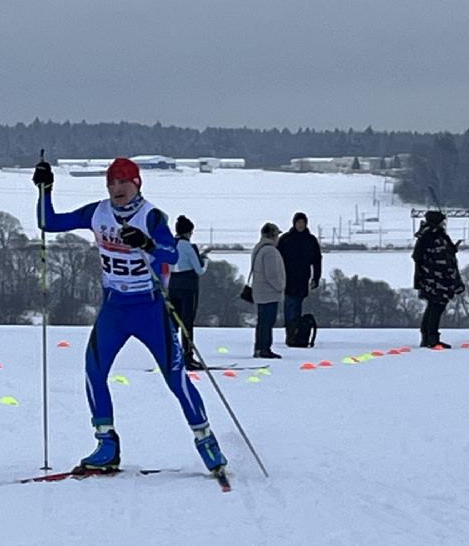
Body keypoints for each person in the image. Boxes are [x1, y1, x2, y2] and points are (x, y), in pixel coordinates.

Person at [34, 156, 227, 476]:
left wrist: (148, 244)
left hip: (151, 307)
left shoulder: (150, 216)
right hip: (116, 307)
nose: (116, 188)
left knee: (176, 379)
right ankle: (106, 444)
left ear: (137, 183)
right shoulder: (98, 212)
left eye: (123, 181)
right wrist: (45, 187)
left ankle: (206, 441)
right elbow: (49, 222)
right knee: (93, 371)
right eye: (111, 182)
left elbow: (173, 254)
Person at [411, 210, 464, 348]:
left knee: (432, 306)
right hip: (438, 280)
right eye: (442, 221)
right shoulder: (435, 236)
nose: (444, 224)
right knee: (436, 307)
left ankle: (427, 337)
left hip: (428, 279)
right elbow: (441, 259)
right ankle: (432, 339)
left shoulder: (426, 235)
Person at [166, 214, 207, 368]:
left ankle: (170, 355)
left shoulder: (170, 244)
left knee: (173, 322)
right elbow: (200, 269)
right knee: (187, 323)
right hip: (188, 286)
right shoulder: (189, 247)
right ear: (189, 232)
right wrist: (205, 260)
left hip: (173, 284)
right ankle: (188, 356)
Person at [276, 211, 322, 345]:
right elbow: (277, 259)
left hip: (302, 279)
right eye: (298, 223)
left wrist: (316, 278)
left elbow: (317, 260)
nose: (301, 225)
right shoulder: (285, 239)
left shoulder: (310, 240)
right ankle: (291, 332)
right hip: (287, 278)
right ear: (294, 223)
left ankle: (293, 333)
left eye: (303, 223)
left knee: (295, 306)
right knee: (289, 306)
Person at [249, 222, 286, 359]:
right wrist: (280, 286)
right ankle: (265, 348)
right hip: (268, 293)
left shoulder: (259, 248)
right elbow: (272, 274)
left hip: (259, 291)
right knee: (267, 322)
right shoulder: (270, 251)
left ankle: (259, 347)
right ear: (273, 235)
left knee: (262, 321)